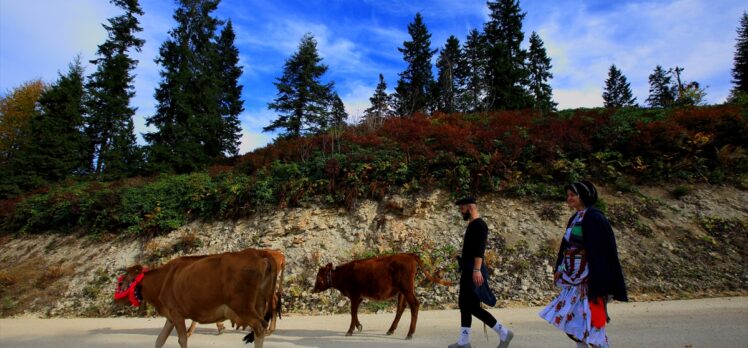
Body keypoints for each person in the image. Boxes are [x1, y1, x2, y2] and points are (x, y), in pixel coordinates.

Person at [539, 181, 628, 348]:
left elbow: (602, 250)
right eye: (568, 195)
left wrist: (598, 277)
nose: (569, 198)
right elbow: (566, 246)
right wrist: (560, 267)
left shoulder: (595, 218)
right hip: (574, 277)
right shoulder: (575, 218)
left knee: (593, 319)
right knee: (577, 319)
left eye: (573, 195)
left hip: (590, 278)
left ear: (584, 196)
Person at [449, 196, 514, 348]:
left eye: (462, 208)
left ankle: (504, 332)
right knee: (464, 305)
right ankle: (464, 342)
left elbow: (480, 250)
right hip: (468, 269)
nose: (461, 212)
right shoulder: (472, 224)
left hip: (474, 270)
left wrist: (477, 270)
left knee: (472, 307)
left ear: (469, 207)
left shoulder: (480, 225)